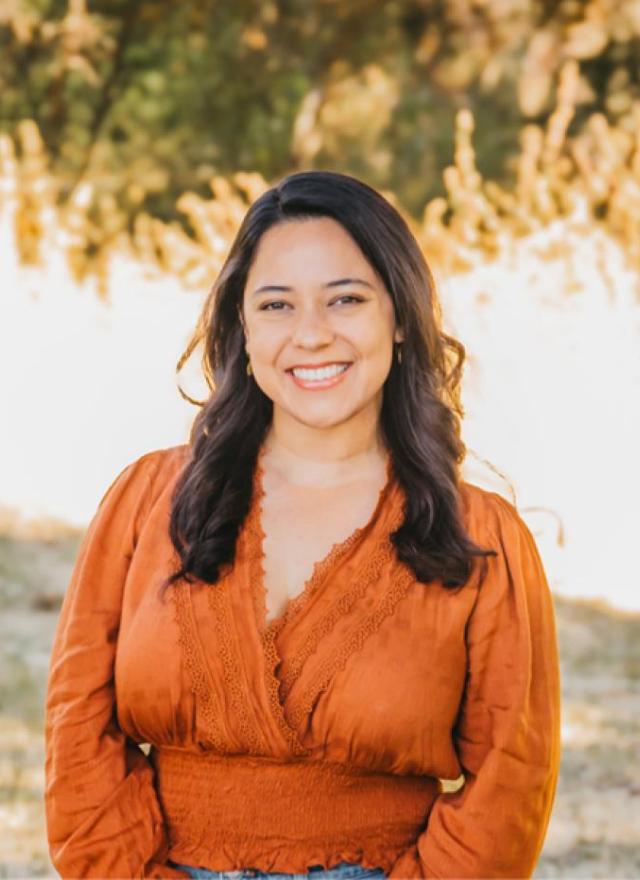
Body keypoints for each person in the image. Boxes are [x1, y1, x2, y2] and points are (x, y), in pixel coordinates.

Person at [44, 170, 561, 880]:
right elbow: (78, 725)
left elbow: (513, 780)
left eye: (346, 299)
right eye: (277, 305)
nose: (312, 335)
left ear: (401, 318)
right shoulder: (146, 500)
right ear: (243, 329)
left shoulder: (483, 539)